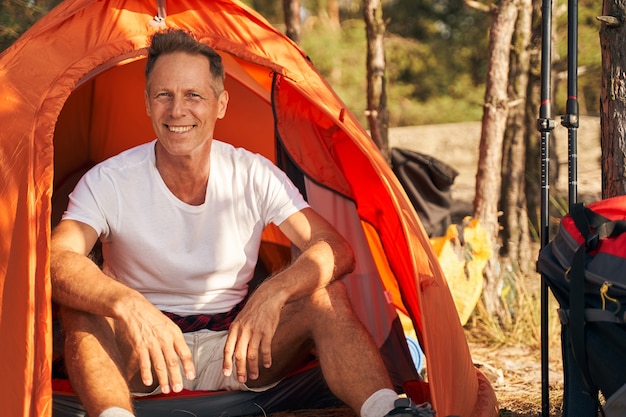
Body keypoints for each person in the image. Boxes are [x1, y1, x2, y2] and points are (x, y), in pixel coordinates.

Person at [50, 28, 434, 417]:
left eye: (193, 95)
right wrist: (128, 303)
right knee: (81, 303)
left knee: (325, 291)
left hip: (239, 348)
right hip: (145, 353)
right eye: (163, 95)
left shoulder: (253, 173)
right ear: (147, 104)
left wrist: (275, 291)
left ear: (221, 104)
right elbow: (56, 259)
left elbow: (334, 248)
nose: (177, 110)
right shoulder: (110, 180)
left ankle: (388, 411)